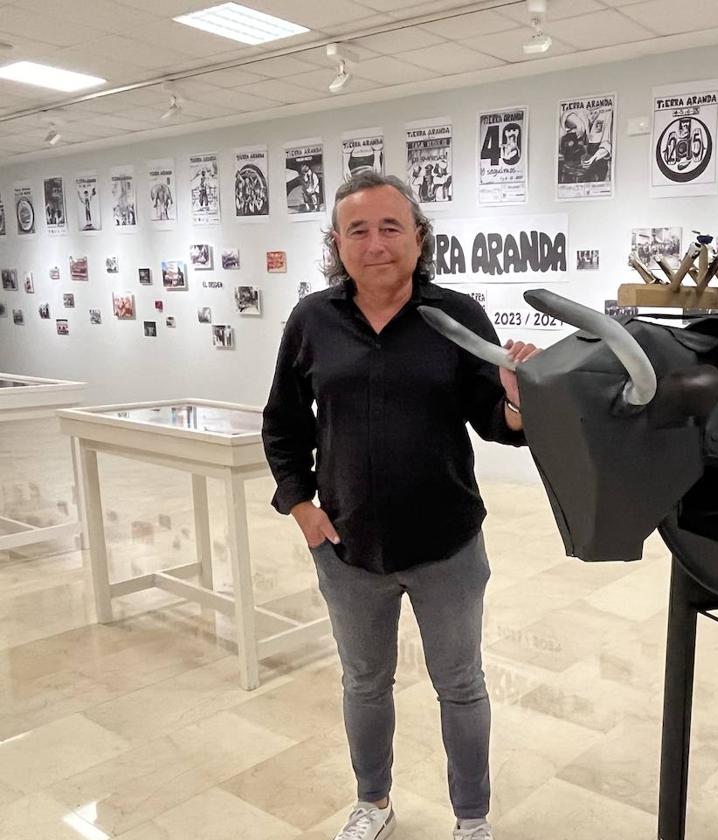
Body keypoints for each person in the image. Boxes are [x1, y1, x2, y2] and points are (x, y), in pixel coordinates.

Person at [263, 171, 538, 840]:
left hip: (446, 545)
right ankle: (373, 804)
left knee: (461, 686)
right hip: (349, 547)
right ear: (336, 243)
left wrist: (518, 392)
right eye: (358, 229)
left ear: (419, 239)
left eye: (391, 227)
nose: (376, 242)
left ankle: (471, 820)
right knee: (365, 685)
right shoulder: (312, 321)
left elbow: (500, 424)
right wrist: (301, 505)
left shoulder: (456, 317)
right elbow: (283, 423)